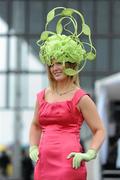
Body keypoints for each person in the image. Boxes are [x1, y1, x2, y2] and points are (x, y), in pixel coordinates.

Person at [29, 7, 105, 180]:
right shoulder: (41, 96)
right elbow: (35, 125)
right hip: (43, 165)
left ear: (71, 64)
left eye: (60, 63)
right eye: (51, 64)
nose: (55, 68)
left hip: (70, 164)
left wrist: (90, 153)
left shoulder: (80, 97)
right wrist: (33, 147)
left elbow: (99, 129)